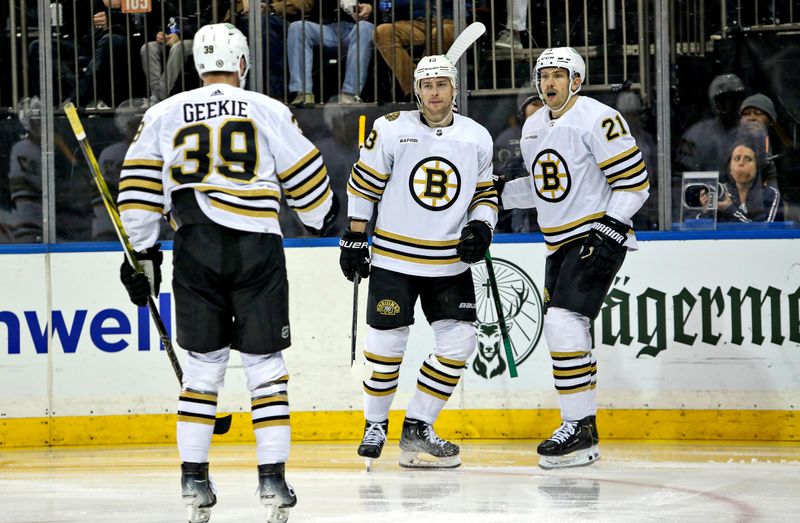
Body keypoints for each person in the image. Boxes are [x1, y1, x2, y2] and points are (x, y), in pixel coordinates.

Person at [116, 23, 337, 523]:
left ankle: (194, 482)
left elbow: (138, 185)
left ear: (196, 65)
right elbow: (304, 172)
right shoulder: (267, 107)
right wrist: (321, 213)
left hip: (195, 246)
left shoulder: (162, 112)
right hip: (257, 247)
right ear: (242, 62)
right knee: (265, 369)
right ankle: (273, 482)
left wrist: (143, 253)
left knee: (200, 372)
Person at [339, 53, 498, 469]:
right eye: (426, 86)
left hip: (449, 264)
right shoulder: (390, 129)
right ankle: (375, 424)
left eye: (441, 85)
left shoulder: (477, 136)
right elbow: (365, 183)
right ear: (417, 90)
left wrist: (482, 228)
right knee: (385, 348)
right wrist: (356, 237)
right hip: (395, 259)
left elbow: (485, 195)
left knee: (460, 343)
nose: (433, 93)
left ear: (454, 89)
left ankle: (417, 427)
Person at [501, 47, 650, 469]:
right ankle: (585, 430)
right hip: (557, 243)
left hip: (595, 235)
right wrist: (496, 194)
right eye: (544, 75)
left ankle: (578, 426)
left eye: (558, 76)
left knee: (562, 322)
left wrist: (610, 225)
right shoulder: (532, 126)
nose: (550, 83)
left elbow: (635, 185)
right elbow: (543, 188)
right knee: (573, 330)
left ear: (577, 81)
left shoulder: (599, 118)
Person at [287, 1, 374, 106]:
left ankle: (350, 94)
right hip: (327, 28)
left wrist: (370, 7)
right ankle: (303, 93)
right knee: (297, 27)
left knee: (365, 27)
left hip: (358, 27)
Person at [228, 0, 314, 99]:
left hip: (286, 23)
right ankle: (239, 93)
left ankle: (275, 93)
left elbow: (306, 4)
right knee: (237, 29)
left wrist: (272, 8)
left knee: (263, 25)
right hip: (243, 21)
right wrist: (245, 9)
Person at [373, 0, 456, 102]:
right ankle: (417, 87)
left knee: (441, 32)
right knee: (383, 31)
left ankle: (436, 87)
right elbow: (385, 4)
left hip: (451, 20)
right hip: (416, 21)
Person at [675, 73, 746, 172]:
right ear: (715, 102)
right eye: (725, 99)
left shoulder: (752, 132)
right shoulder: (696, 134)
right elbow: (683, 171)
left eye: (737, 98)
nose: (733, 104)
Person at [708, 129, 782, 223]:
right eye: (737, 158)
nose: (741, 163)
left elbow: (763, 232)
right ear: (729, 168)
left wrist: (730, 209)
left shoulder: (769, 195)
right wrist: (707, 212)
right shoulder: (721, 194)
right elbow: (701, 229)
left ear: (757, 167)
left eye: (748, 159)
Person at [140, 1, 207, 104]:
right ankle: (156, 95)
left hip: (196, 40)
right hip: (169, 39)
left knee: (179, 47)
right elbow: (155, 24)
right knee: (148, 48)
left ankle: (159, 98)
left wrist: (180, 35)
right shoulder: (164, 3)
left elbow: (205, 23)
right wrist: (159, 34)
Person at [494, 92, 542, 232]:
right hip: (517, 218)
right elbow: (497, 176)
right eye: (532, 117)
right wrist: (507, 174)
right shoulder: (507, 139)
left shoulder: (562, 137)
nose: (536, 121)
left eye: (540, 116)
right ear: (523, 118)